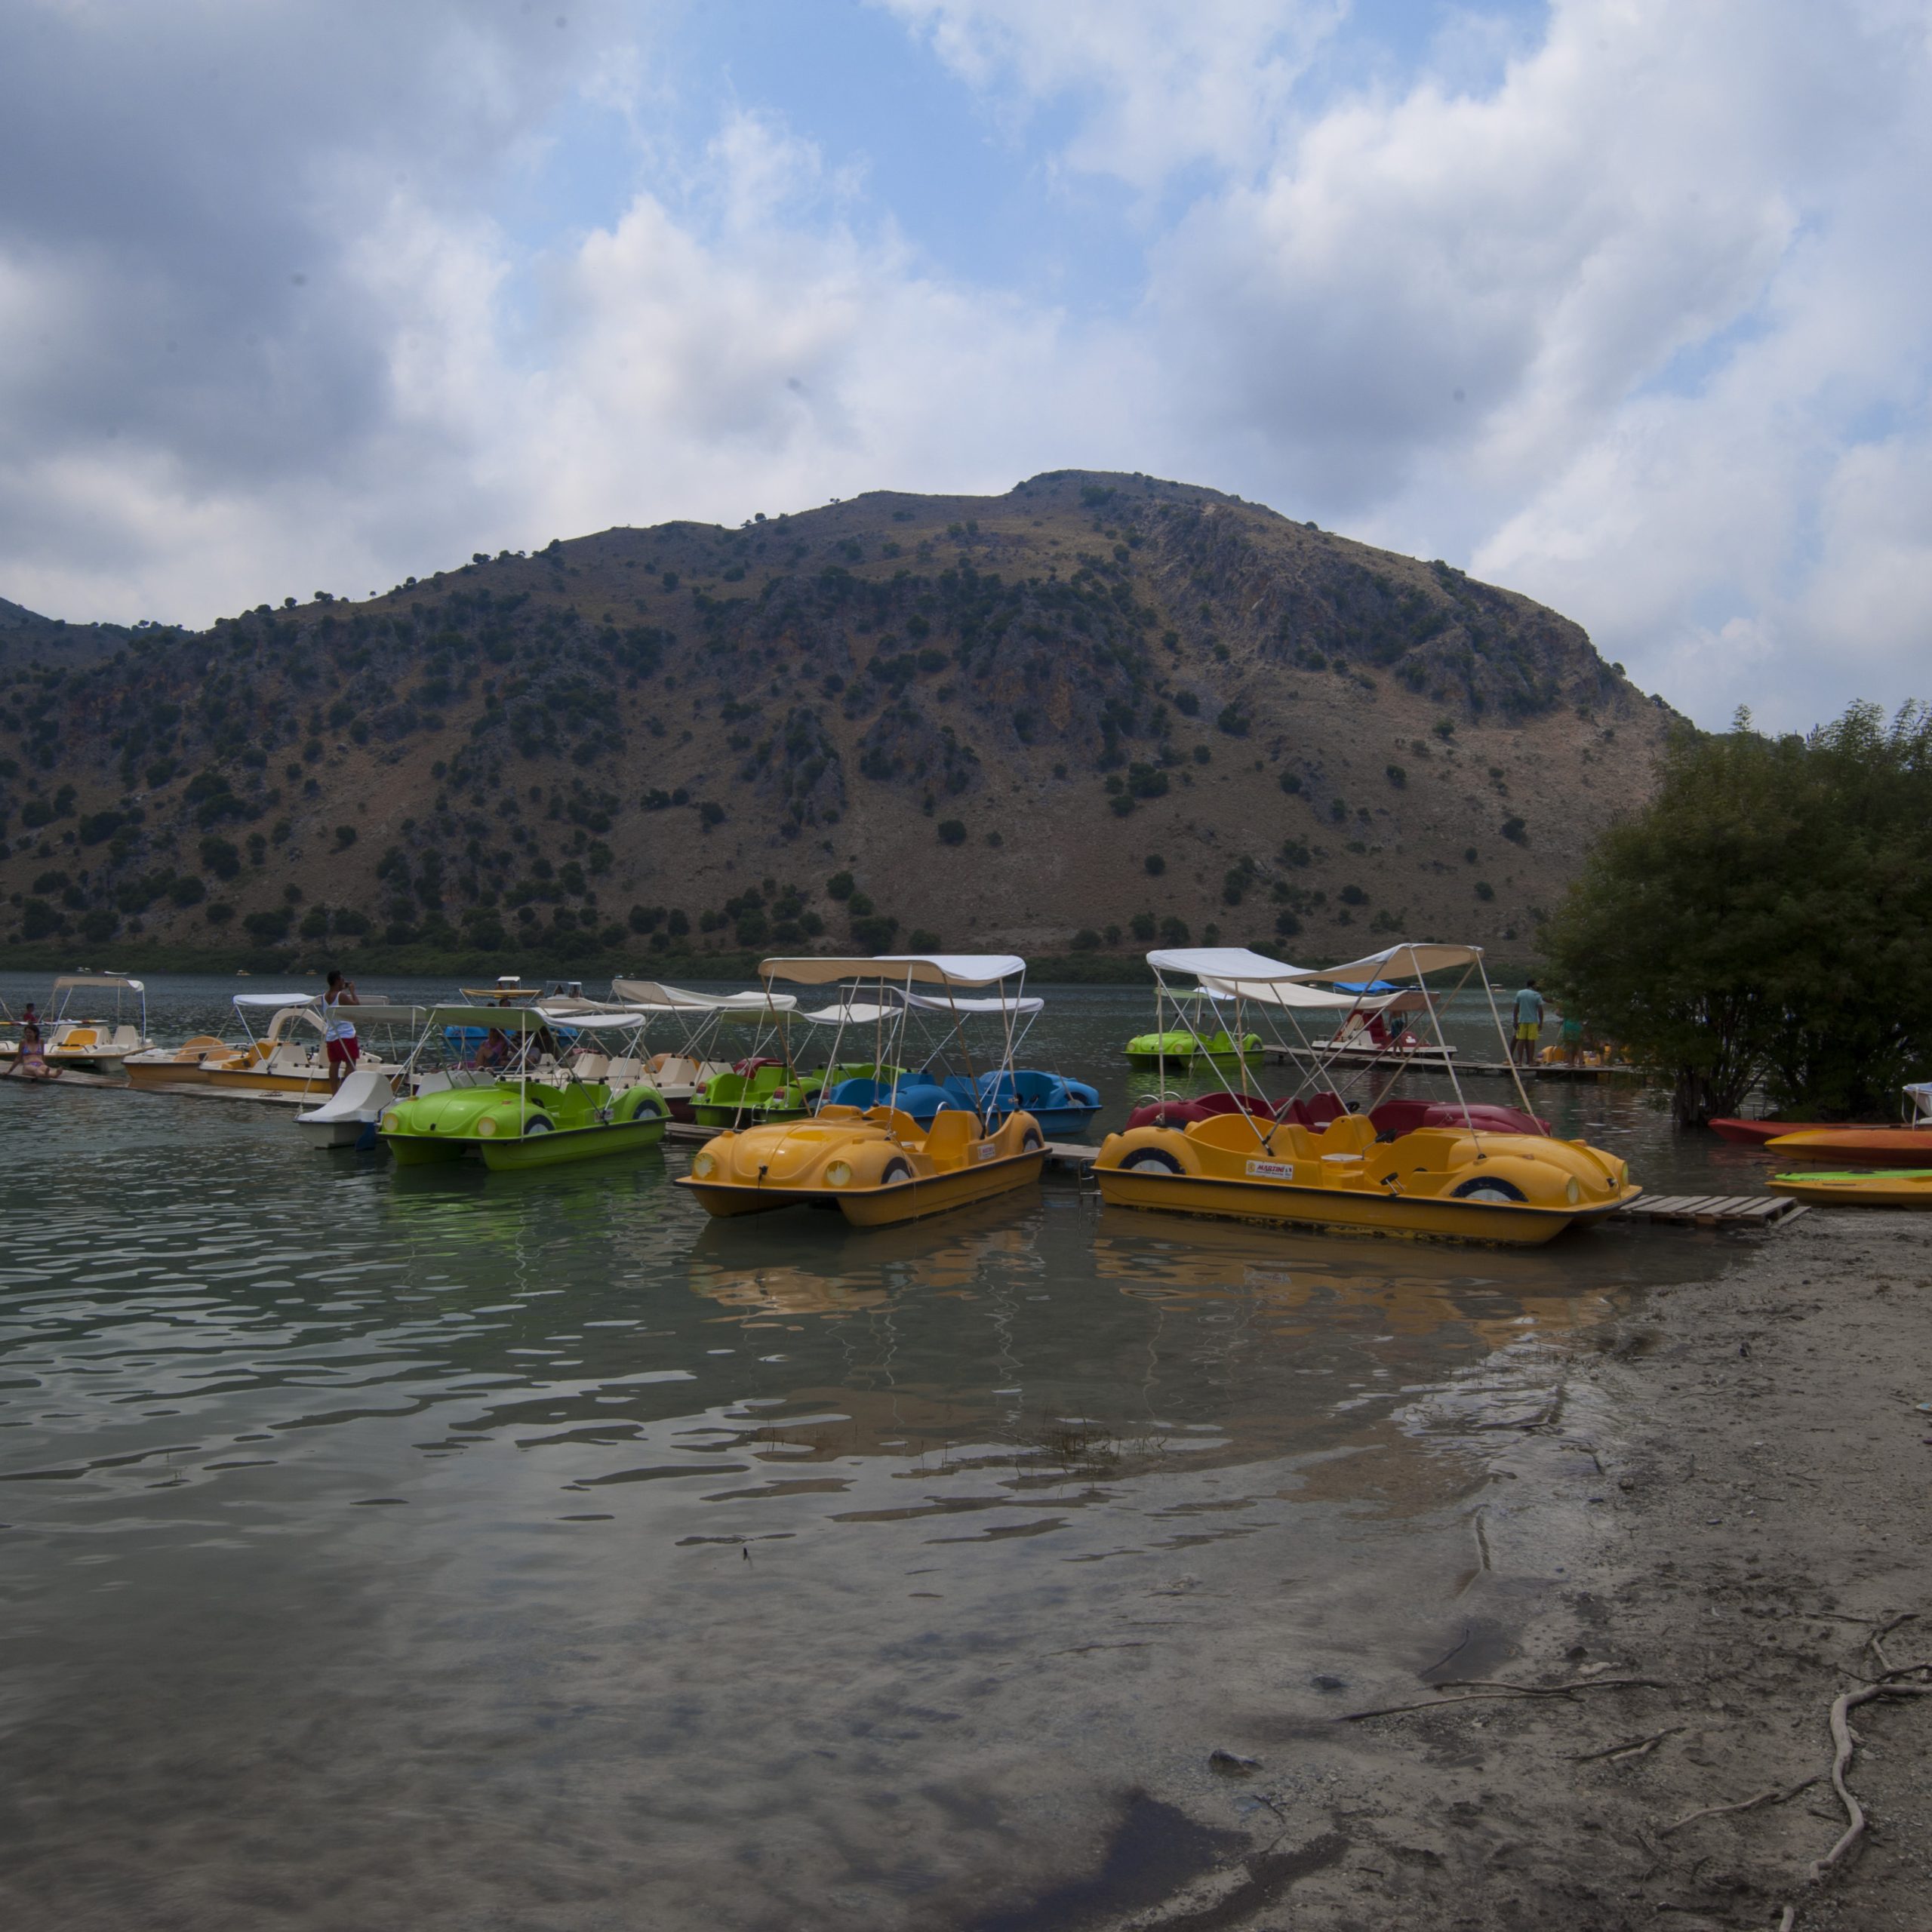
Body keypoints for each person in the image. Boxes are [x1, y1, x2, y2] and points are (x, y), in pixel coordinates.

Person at [323, 968, 360, 1089]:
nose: (344, 981)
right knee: (351, 1063)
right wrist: (353, 992)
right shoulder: (341, 996)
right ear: (337, 981)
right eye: (342, 979)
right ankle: (346, 1091)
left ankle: (334, 1094)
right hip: (345, 1035)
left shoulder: (325, 996)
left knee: (334, 1064)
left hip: (332, 1035)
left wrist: (341, 989)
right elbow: (357, 1006)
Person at [1512, 980, 1545, 1067]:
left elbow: (1516, 1008)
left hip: (1522, 1020)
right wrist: (1541, 1022)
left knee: (1521, 1040)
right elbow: (1540, 1010)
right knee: (1531, 1041)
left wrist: (1515, 1020)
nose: (1537, 986)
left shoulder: (1520, 993)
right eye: (1536, 985)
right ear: (1533, 985)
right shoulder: (1536, 995)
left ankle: (1519, 1061)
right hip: (1533, 1021)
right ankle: (1530, 1061)